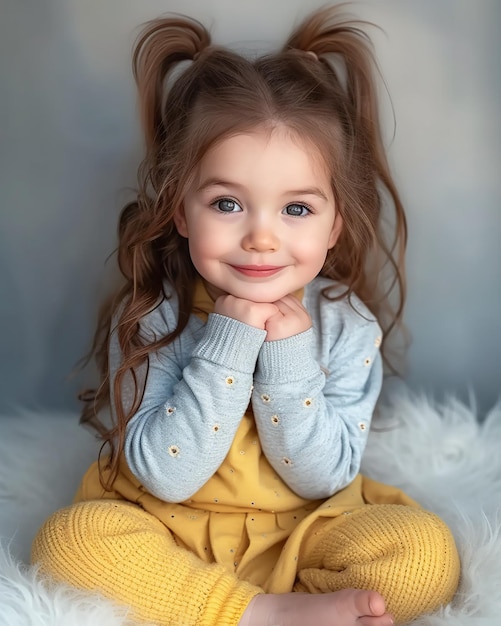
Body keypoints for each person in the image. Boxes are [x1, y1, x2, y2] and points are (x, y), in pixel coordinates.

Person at [31, 6, 460, 626]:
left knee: (424, 557)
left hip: (302, 531)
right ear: (181, 212)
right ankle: (263, 614)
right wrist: (228, 342)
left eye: (297, 209)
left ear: (336, 223)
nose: (261, 237)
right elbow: (167, 476)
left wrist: (288, 359)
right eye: (228, 203)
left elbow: (324, 477)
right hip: (167, 526)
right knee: (70, 543)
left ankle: (292, 601)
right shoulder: (154, 315)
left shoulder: (346, 325)